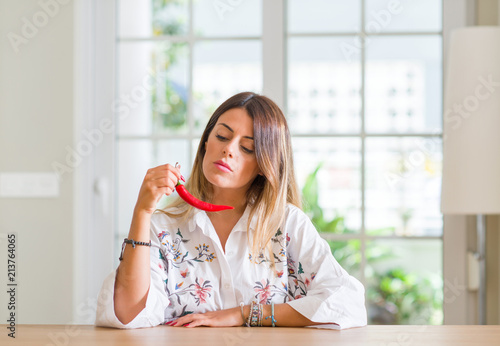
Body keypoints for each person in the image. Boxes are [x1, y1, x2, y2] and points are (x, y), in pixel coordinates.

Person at [95, 92, 367, 329]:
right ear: (205, 143)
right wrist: (142, 212)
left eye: (247, 147)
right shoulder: (161, 227)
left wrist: (244, 314)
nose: (228, 150)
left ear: (264, 164)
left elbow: (347, 302)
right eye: (222, 136)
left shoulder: (287, 224)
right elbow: (128, 316)